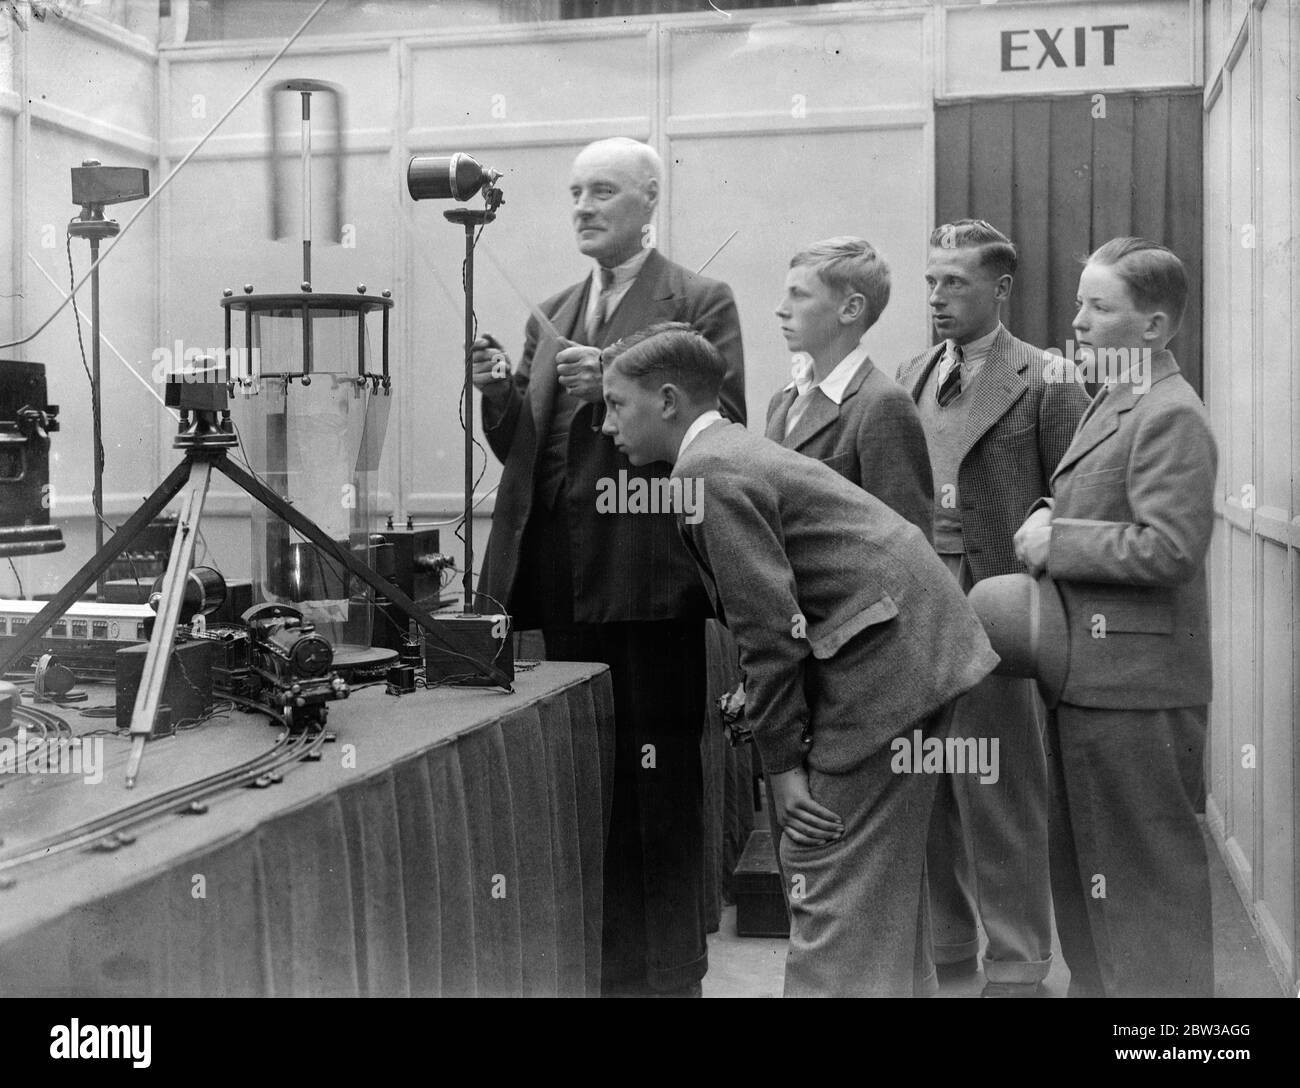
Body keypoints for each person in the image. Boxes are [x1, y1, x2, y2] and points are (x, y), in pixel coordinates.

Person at [600, 321, 999, 997]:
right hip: (915, 647)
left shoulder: (707, 474)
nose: (607, 426)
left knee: (824, 862)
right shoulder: (724, 453)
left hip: (891, 664)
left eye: (615, 405)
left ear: (668, 401)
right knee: (879, 890)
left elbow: (769, 633)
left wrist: (781, 769)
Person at [470, 137, 745, 997]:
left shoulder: (699, 300)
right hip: (556, 583)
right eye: (575, 193)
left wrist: (617, 386)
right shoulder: (549, 311)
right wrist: (498, 395)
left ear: (649, 202)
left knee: (656, 784)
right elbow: (525, 450)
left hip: (644, 582)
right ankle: (593, 966)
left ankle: (666, 976)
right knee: (581, 786)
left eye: (605, 193)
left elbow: (723, 427)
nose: (584, 207)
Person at [1013, 237, 1216, 998]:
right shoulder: (1119, 395)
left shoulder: (1172, 414)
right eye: (1080, 304)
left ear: (1155, 325)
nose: (1079, 322)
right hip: (1095, 684)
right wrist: (1054, 509)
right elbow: (1116, 503)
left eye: (1100, 307)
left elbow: (1170, 548)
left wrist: (1057, 539)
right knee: (1091, 883)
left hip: (1135, 692)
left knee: (1144, 897)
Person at [896, 219, 1089, 996]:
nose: (938, 297)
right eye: (931, 281)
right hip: (915, 609)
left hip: (999, 610)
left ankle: (1016, 963)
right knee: (927, 783)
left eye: (957, 283)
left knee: (1001, 791)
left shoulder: (1048, 377)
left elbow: (1073, 495)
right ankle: (949, 949)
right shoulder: (911, 372)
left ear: (1001, 288)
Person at [768, 237, 931, 537]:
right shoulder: (782, 401)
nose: (781, 309)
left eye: (799, 295)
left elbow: (906, 547)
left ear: (851, 308)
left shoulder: (881, 403)